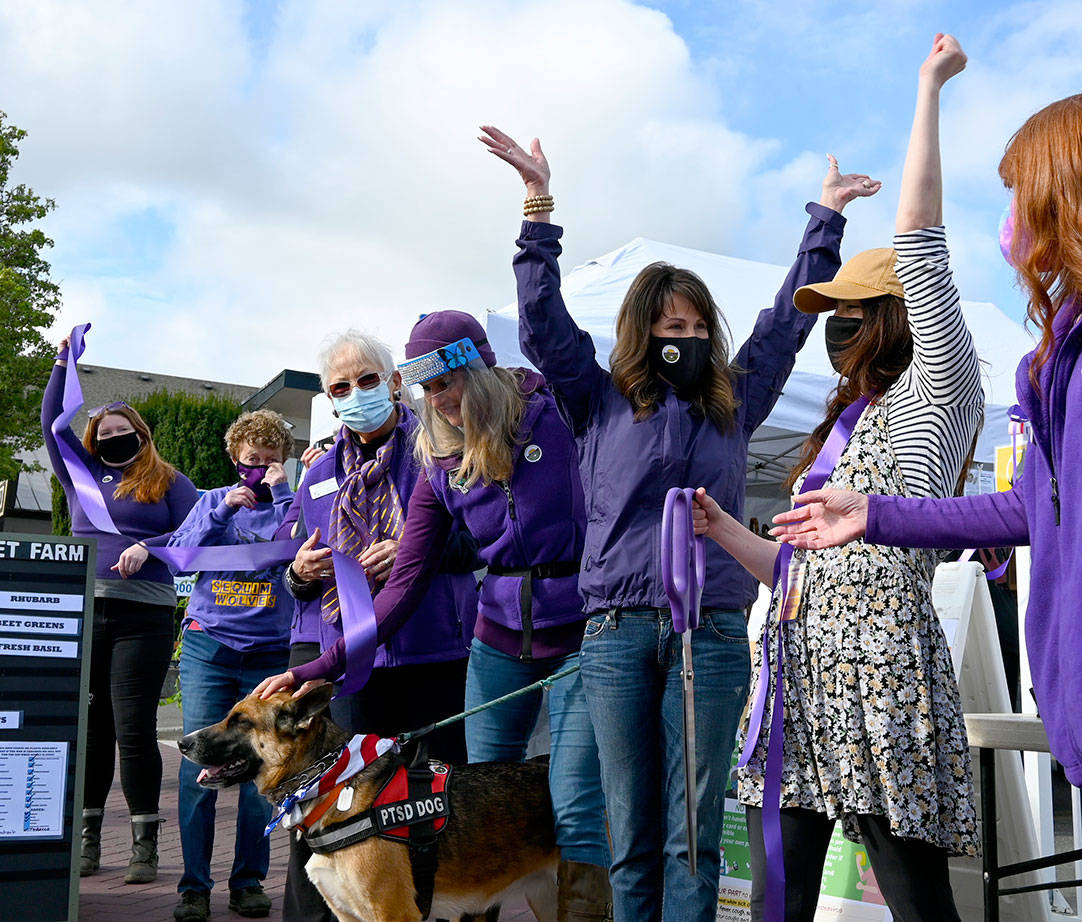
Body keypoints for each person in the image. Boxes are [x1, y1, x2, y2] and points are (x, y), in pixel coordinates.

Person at [768, 88, 1082, 922]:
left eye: (1018, 188)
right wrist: (876, 514)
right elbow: (1024, 508)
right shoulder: (1065, 346)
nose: (1010, 218)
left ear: (1073, 183)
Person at [482, 121, 871, 921]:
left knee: (692, 832)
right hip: (617, 632)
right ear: (641, 332)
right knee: (630, 830)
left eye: (694, 328)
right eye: (668, 327)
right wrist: (537, 208)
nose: (682, 338)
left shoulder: (735, 401)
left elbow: (785, 324)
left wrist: (824, 220)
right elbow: (541, 324)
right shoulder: (596, 400)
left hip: (714, 634)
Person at [691, 34, 980, 922]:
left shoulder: (939, 392)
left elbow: (921, 241)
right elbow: (801, 567)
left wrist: (928, 90)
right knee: (777, 894)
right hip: (797, 670)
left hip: (882, 673)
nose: (838, 326)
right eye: (832, 313)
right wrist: (723, 530)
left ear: (900, 316)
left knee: (915, 900)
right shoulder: (838, 427)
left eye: (853, 312)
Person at [265, 310, 613, 920]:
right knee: (475, 800)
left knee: (575, 800)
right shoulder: (437, 456)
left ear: (477, 367)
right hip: (496, 640)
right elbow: (401, 588)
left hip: (580, 632)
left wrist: (536, 242)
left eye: (444, 382)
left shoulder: (558, 412)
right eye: (426, 388)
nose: (438, 400)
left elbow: (552, 332)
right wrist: (316, 667)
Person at [258, 330, 479, 922]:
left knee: (437, 803)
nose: (355, 394)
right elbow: (296, 565)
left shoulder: (444, 446)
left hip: (433, 653)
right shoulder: (319, 471)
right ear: (329, 400)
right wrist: (300, 573)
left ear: (395, 381)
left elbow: (481, 540)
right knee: (327, 808)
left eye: (366, 380)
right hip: (350, 665)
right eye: (340, 387)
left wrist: (416, 549)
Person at [42, 339, 198, 883]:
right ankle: (88, 842)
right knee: (92, 730)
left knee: (134, 729)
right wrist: (64, 365)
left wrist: (151, 547)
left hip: (145, 616)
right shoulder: (78, 477)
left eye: (122, 432)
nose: (113, 439)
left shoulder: (170, 481)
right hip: (87, 614)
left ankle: (144, 846)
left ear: (142, 435)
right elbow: (52, 425)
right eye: (103, 434)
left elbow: (195, 534)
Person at [166, 410, 296, 922]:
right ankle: (193, 887)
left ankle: (247, 882)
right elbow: (178, 556)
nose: (259, 470)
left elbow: (312, 546)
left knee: (264, 769)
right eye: (250, 462)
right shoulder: (208, 501)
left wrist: (285, 495)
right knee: (197, 763)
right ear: (234, 460)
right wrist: (221, 511)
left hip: (269, 654)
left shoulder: (295, 503)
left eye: (270, 461)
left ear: (282, 462)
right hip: (210, 648)